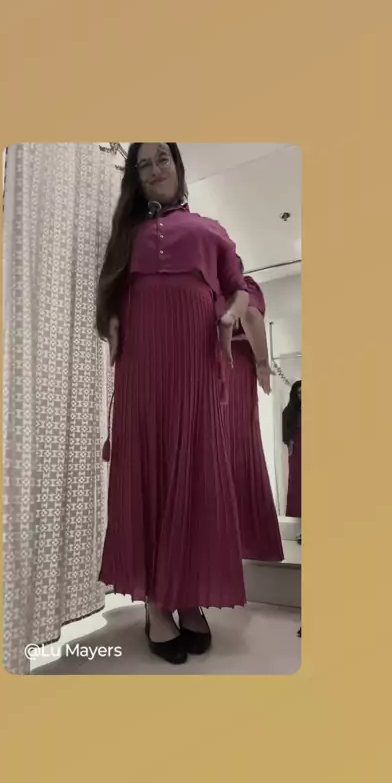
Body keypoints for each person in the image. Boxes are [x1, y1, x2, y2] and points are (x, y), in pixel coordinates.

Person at [96, 142, 250, 664]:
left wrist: (230, 314)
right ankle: (156, 605)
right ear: (136, 178)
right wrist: (110, 318)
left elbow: (238, 288)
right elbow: (109, 299)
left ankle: (188, 596)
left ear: (179, 166)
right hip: (142, 366)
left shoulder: (210, 230)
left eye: (162, 158)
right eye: (144, 164)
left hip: (195, 364)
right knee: (149, 469)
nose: (155, 169)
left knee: (196, 472)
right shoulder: (126, 236)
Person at [224, 259, 284, 562]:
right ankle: (249, 540)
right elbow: (250, 314)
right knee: (240, 447)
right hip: (235, 369)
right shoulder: (244, 287)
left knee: (214, 453)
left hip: (210, 373)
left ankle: (218, 541)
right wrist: (262, 363)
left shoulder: (208, 292)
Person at [282, 380, 302, 518]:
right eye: (299, 393)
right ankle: (296, 514)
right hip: (297, 449)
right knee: (296, 481)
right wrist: (289, 442)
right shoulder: (289, 412)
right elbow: (285, 433)